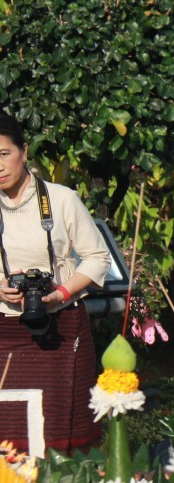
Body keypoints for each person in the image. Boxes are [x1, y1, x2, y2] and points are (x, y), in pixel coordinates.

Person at [0, 110, 111, 452]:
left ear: (25, 151)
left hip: (60, 327)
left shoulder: (62, 200)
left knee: (60, 437)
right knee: (8, 441)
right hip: (4, 333)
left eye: (4, 154)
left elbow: (97, 258)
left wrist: (60, 292)